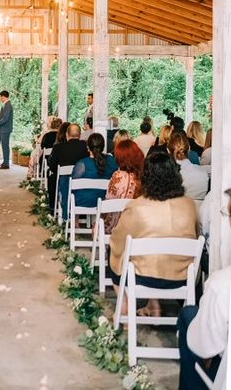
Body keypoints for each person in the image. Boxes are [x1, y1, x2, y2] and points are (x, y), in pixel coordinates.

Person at [110, 148, 198, 318]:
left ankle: (126, 306)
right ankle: (153, 305)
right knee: (156, 255)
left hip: (144, 276)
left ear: (146, 177)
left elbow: (117, 241)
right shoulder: (189, 205)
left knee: (114, 253)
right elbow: (195, 233)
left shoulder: (136, 207)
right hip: (183, 276)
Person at [177, 187, 231, 390]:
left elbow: (205, 346)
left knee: (189, 317)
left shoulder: (222, 285)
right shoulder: (188, 204)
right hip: (183, 272)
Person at [47, 123, 88, 216]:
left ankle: (53, 207)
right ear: (80, 135)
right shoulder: (86, 147)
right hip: (82, 182)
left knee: (52, 177)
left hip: (63, 181)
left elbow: (52, 166)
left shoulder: (58, 147)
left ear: (67, 135)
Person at [104, 140, 144, 233]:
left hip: (118, 226)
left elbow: (109, 201)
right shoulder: (144, 175)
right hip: (139, 226)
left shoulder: (118, 176)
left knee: (97, 226)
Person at [70, 133, 118, 208]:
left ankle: (79, 219)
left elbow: (72, 185)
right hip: (105, 201)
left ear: (88, 147)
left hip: (83, 202)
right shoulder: (112, 161)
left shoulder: (82, 164)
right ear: (103, 146)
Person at [168, 131, 209, 201]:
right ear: (189, 149)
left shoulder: (167, 175)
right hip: (200, 210)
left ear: (168, 151)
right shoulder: (203, 173)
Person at [0, 90, 14, 170]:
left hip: (5, 129)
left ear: (3, 96)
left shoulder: (8, 105)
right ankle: (5, 162)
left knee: (5, 146)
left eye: (0, 97)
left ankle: (6, 164)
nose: (0, 98)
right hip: (4, 129)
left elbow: (5, 118)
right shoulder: (6, 104)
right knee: (4, 146)